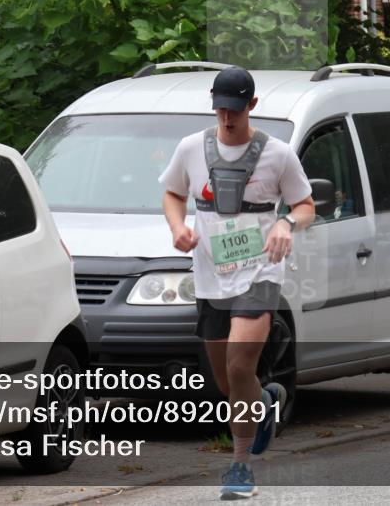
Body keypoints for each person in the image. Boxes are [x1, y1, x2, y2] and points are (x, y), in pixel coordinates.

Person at [159, 66, 315, 500]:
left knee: (239, 365)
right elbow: (172, 193)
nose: (226, 119)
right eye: (220, 110)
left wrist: (285, 222)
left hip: (260, 271)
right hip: (211, 274)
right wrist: (177, 227)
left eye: (235, 110)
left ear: (252, 106)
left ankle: (240, 467)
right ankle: (262, 402)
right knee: (228, 384)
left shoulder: (278, 153)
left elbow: (306, 205)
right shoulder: (192, 148)